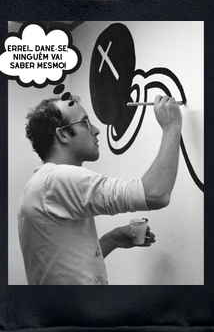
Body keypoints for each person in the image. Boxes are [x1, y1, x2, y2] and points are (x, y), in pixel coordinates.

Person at [17, 93, 182, 284]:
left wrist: (111, 240)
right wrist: (172, 127)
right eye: (85, 123)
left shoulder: (42, 183)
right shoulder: (57, 179)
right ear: (62, 135)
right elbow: (155, 194)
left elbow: (62, 268)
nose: (96, 131)